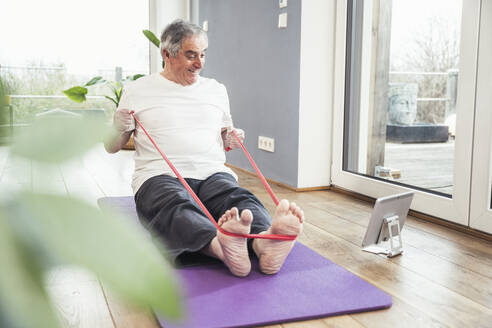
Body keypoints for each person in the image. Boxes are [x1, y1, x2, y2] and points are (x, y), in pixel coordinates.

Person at [104, 19, 303, 277]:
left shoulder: (216, 90)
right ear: (167, 54)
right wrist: (118, 128)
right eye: (191, 55)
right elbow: (112, 147)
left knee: (239, 199)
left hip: (212, 172)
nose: (199, 64)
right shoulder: (137, 90)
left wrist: (230, 139)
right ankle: (219, 246)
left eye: (203, 55)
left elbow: (224, 137)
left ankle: (263, 242)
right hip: (159, 175)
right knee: (175, 204)